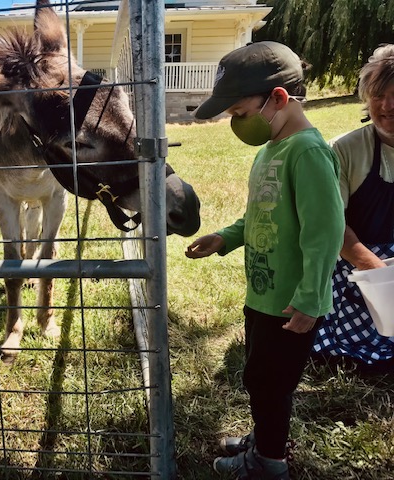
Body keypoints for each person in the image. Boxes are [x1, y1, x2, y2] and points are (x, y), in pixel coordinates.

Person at [186, 41, 345, 480]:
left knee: (270, 384)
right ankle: (265, 437)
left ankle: (269, 462)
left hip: (292, 303)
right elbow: (259, 214)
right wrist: (225, 238)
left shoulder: (308, 152)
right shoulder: (269, 151)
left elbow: (325, 232)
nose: (236, 122)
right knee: (259, 377)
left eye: (238, 112)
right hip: (263, 293)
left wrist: (311, 296)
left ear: (277, 98)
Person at [312, 45, 394, 371]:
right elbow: (334, 228)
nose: (387, 106)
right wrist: (381, 273)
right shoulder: (344, 150)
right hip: (358, 269)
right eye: (378, 95)